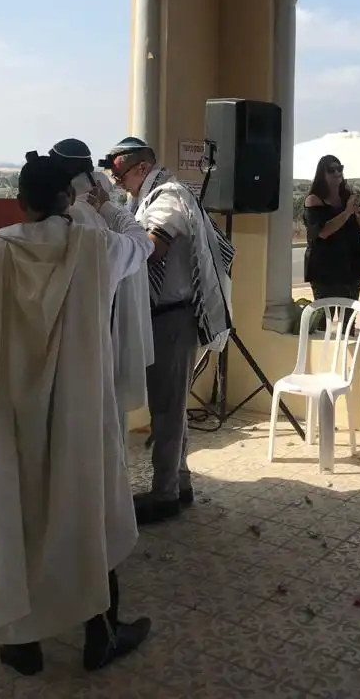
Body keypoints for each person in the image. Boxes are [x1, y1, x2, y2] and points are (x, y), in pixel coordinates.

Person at [0, 155, 153, 676]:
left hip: (13, 418)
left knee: (16, 514)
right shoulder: (97, 249)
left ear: (20, 202)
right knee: (90, 510)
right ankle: (101, 634)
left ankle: (20, 643)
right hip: (78, 416)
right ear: (68, 199)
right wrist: (107, 209)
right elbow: (144, 243)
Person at [104, 138, 233, 525]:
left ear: (142, 168)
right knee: (169, 405)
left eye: (121, 174)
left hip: (172, 316)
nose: (118, 181)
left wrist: (107, 212)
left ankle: (164, 494)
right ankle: (180, 481)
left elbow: (151, 248)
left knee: (167, 410)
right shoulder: (146, 197)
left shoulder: (169, 196)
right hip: (159, 315)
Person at [48, 139, 155, 440]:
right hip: (108, 343)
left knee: (77, 434)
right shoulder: (107, 210)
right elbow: (140, 242)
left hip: (76, 345)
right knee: (108, 432)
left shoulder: (74, 217)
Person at [303, 155, 360, 304]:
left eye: (339, 168)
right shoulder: (313, 200)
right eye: (331, 170)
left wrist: (357, 210)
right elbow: (322, 231)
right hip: (325, 271)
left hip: (352, 267)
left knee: (349, 315)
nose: (337, 172)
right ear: (322, 174)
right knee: (324, 315)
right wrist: (347, 212)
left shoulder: (348, 197)